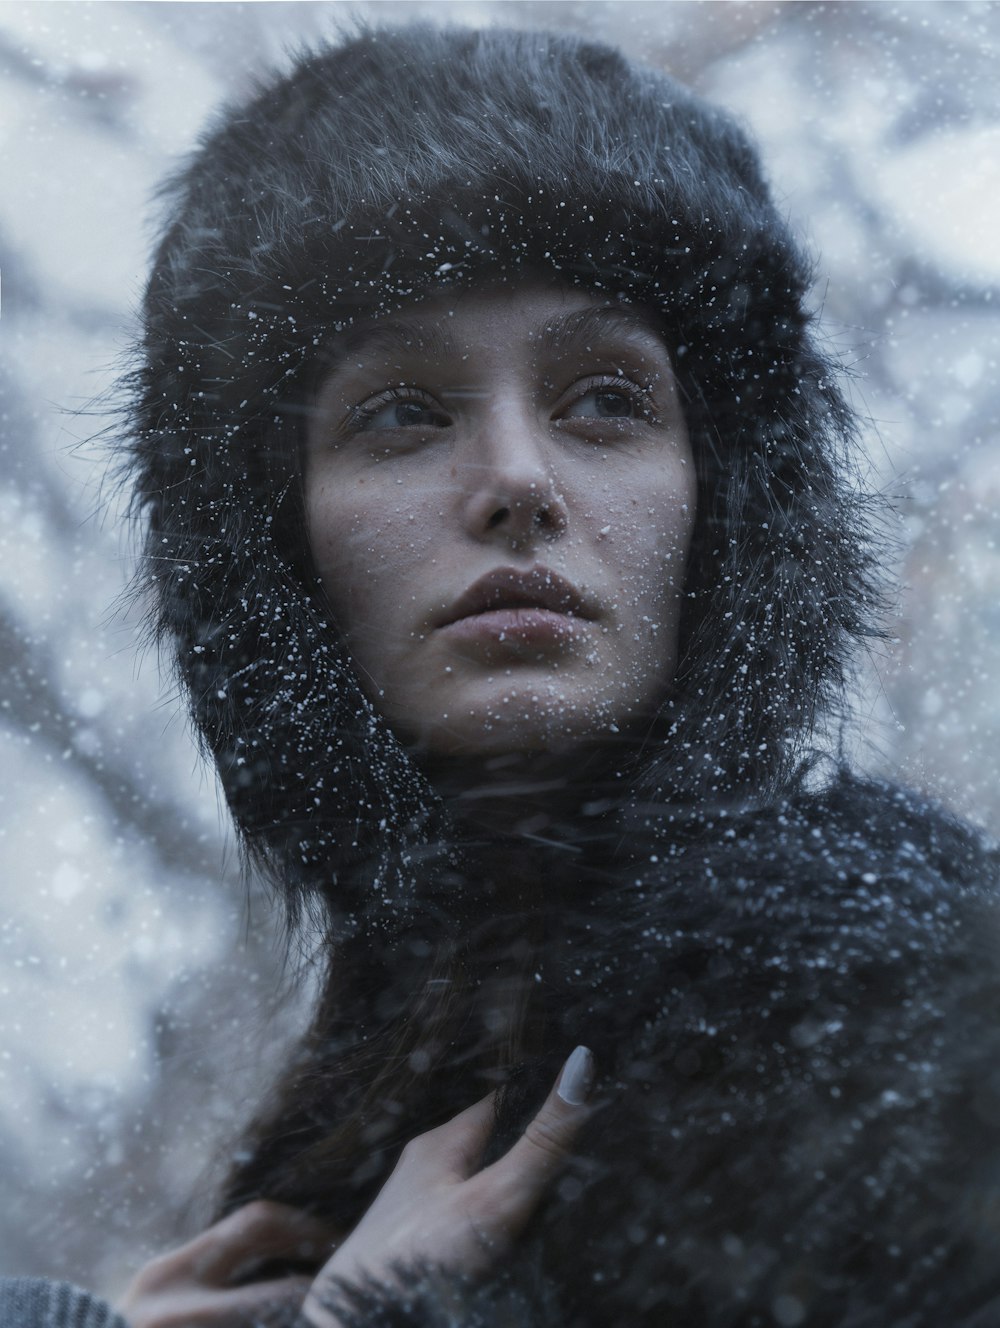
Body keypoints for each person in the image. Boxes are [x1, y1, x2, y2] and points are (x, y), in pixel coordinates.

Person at [5, 22, 1000, 1328]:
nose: (520, 481)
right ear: (278, 549)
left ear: (727, 506)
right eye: (403, 413)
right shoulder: (374, 1079)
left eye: (605, 399)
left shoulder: (912, 1026)